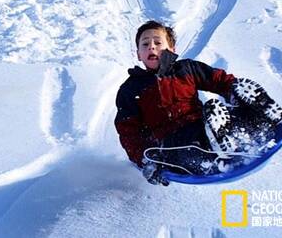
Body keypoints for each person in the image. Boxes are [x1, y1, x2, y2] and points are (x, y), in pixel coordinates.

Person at [115, 20, 282, 186]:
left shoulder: (186, 69)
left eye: (158, 42)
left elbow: (218, 80)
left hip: (202, 123)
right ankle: (220, 148)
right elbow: (129, 133)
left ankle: (263, 117)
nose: (151, 46)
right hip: (172, 143)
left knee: (222, 113)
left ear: (171, 50)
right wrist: (147, 161)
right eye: (145, 44)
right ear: (138, 54)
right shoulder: (130, 89)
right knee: (186, 155)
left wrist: (232, 89)